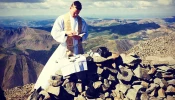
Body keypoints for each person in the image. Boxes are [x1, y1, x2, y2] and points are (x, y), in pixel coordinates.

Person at [33, 0, 88, 92]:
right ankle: (49, 87)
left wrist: (80, 37)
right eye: (74, 12)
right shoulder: (62, 18)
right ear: (70, 8)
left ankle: (73, 87)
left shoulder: (81, 21)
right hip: (65, 48)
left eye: (77, 13)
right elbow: (54, 32)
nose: (75, 15)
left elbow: (86, 33)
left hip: (77, 48)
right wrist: (66, 33)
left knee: (77, 68)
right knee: (57, 68)